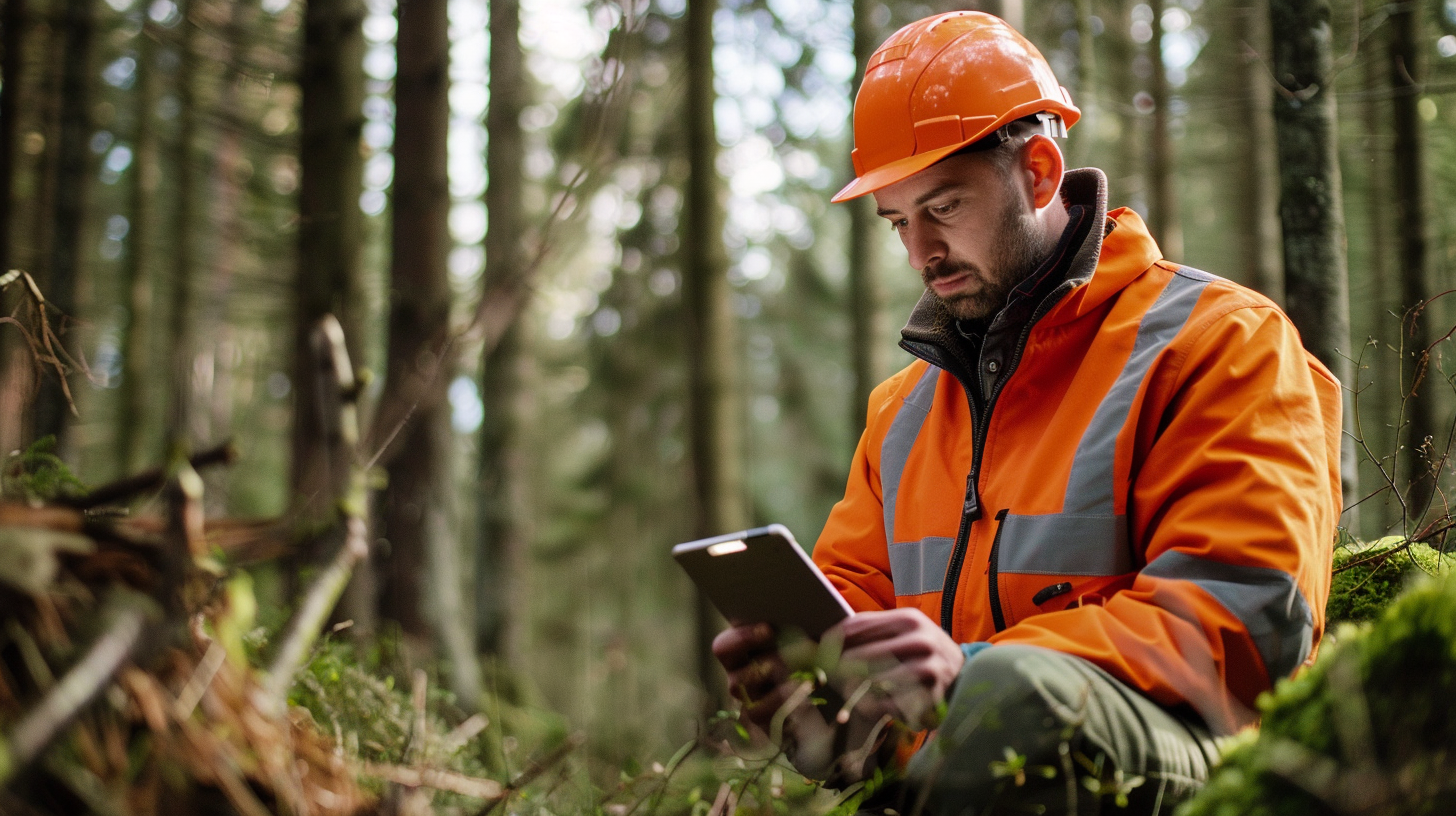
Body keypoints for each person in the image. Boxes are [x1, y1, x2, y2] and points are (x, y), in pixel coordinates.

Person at [712, 11, 1342, 815]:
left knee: (1010, 698)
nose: (920, 254)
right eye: (899, 221)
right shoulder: (902, 414)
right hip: (961, 771)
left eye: (942, 208)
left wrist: (969, 672)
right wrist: (809, 683)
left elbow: (1244, 619)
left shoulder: (1221, 343)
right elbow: (854, 602)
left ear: (1039, 173)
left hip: (1197, 765)